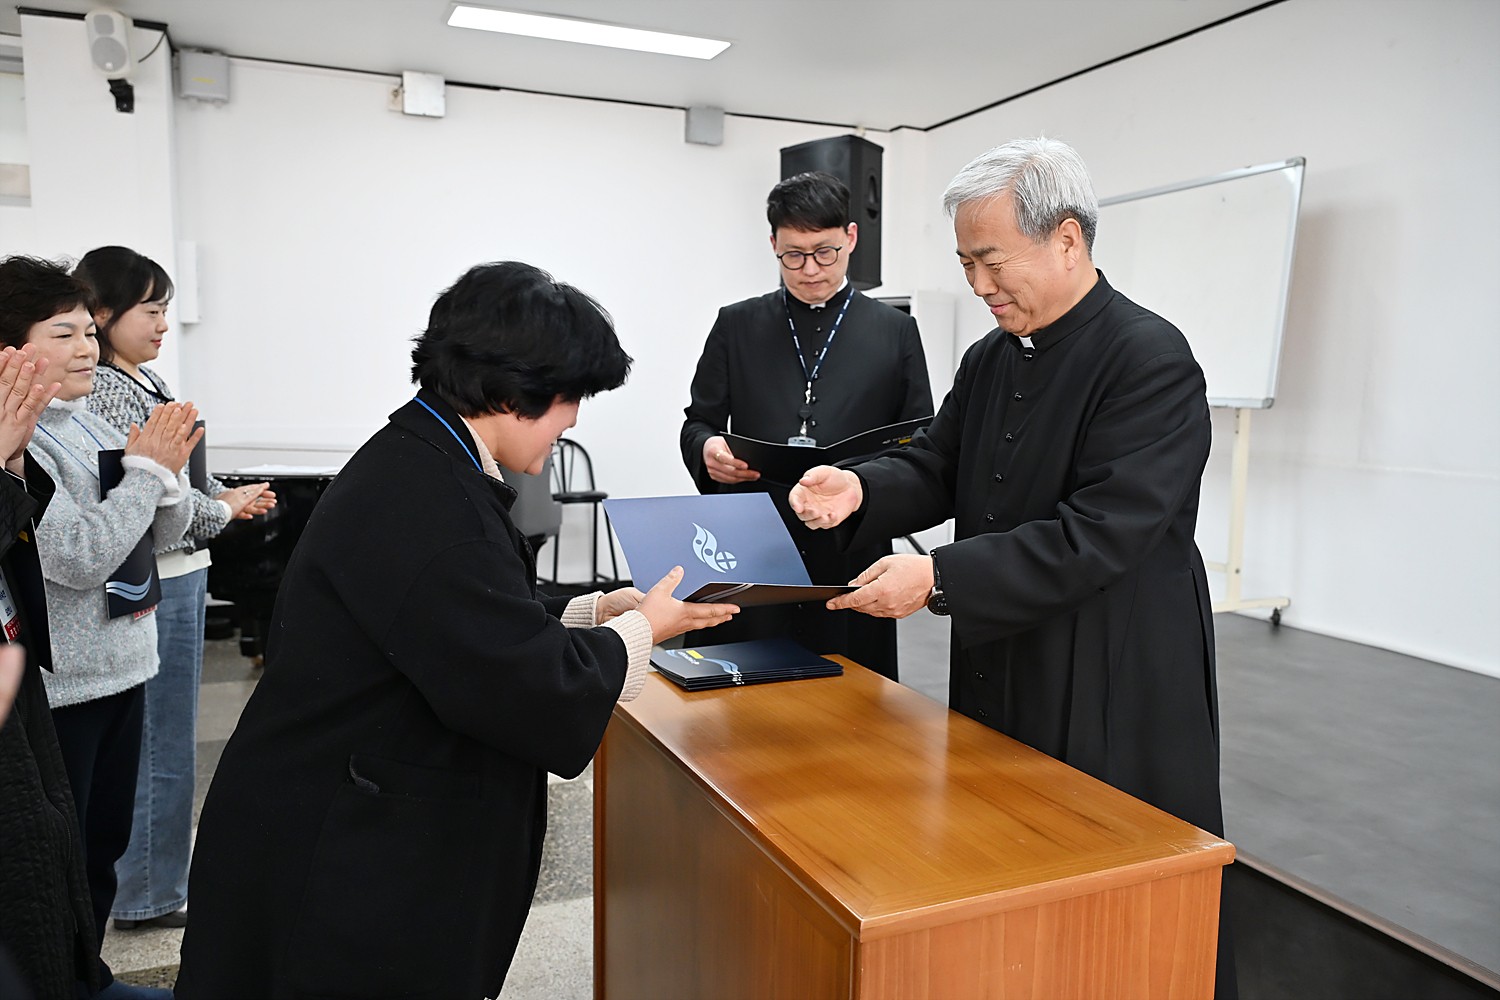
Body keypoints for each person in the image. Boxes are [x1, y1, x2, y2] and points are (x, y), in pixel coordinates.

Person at [176, 261, 738, 999]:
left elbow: (456, 623)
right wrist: (643, 631)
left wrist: (589, 613)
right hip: (347, 846)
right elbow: (529, 686)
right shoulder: (430, 500)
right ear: (509, 392)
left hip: (339, 808)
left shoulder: (423, 458)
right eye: (570, 398)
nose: (574, 421)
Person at [788, 138, 1236, 996]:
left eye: (991, 261)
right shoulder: (993, 355)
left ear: (1066, 239)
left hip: (1112, 664)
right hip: (1006, 643)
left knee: (1113, 891)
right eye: (966, 264)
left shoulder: (1149, 358)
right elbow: (937, 464)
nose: (979, 285)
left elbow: (1102, 531)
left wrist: (939, 577)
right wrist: (862, 488)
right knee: (1001, 854)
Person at [72, 246, 275, 933]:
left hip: (180, 570)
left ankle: (153, 885)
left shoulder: (145, 378)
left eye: (166, 310)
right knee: (160, 744)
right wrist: (218, 510)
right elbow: (151, 499)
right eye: (151, 310)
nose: (163, 324)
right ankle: (148, 894)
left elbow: (180, 480)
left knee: (165, 741)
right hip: (159, 572)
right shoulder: (106, 389)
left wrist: (223, 498)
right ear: (104, 313)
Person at [0, 255, 181, 1000]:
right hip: (64, 685)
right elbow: (77, 557)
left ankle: (91, 979)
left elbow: (159, 533)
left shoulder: (86, 418)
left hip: (123, 663)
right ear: (11, 352)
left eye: (87, 331)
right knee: (57, 860)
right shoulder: (26, 446)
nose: (87, 348)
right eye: (64, 333)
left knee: (102, 846)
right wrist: (148, 475)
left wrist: (164, 472)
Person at [680, 170, 932, 679]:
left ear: (851, 237)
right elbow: (698, 422)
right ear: (773, 243)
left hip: (850, 538)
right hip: (751, 539)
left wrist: (867, 489)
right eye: (793, 255)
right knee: (737, 688)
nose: (810, 269)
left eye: (825, 252)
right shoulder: (737, 324)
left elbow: (918, 441)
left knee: (849, 689)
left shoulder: (896, 331)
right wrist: (707, 450)